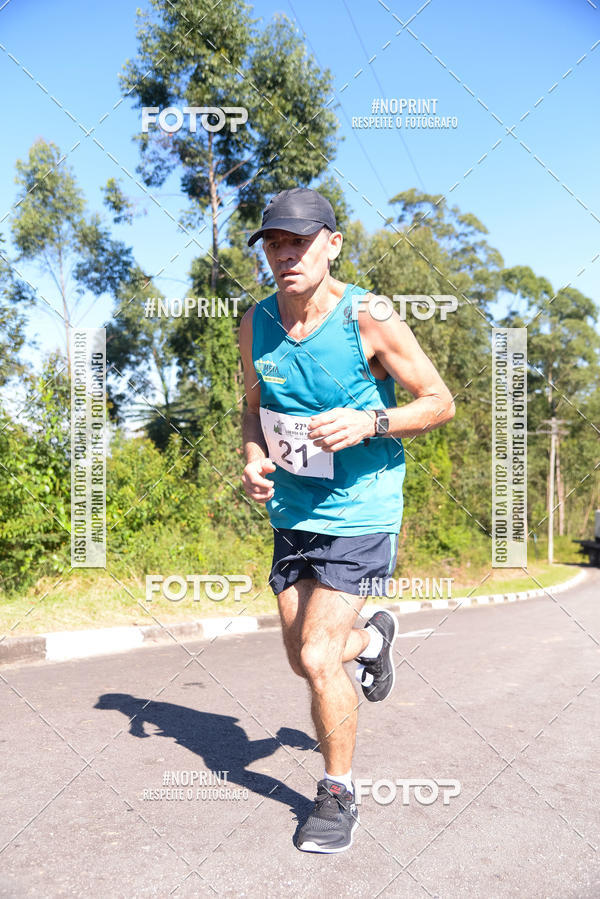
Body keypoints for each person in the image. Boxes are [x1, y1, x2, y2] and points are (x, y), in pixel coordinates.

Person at [238, 187, 455, 853]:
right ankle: (373, 643)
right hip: (293, 508)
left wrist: (371, 421)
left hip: (361, 508)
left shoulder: (370, 316)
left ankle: (338, 792)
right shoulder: (255, 322)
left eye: (299, 241)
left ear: (331, 245)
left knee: (315, 653)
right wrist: (253, 457)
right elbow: (252, 406)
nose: (286, 254)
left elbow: (439, 401)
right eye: (275, 243)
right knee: (303, 656)